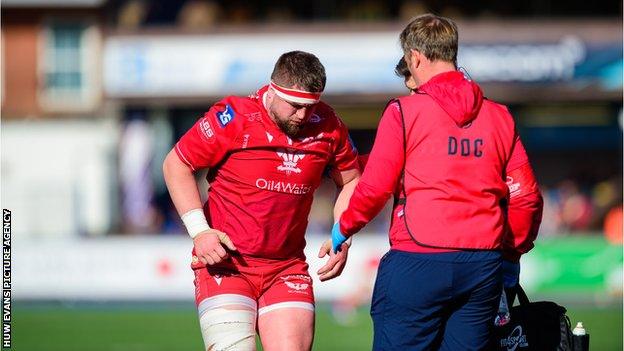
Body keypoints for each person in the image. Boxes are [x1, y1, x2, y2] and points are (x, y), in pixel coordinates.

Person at [329, 14, 544, 350]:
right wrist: (511, 254)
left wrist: (343, 228)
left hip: (418, 257)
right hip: (482, 265)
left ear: (415, 57)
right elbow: (526, 196)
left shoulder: (404, 111)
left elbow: (374, 188)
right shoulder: (500, 115)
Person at [163, 51, 360, 351]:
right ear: (273, 90)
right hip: (227, 265)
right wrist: (199, 231)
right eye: (295, 105)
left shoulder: (328, 125)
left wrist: (342, 234)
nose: (303, 115)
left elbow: (351, 180)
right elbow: (176, 164)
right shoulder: (233, 117)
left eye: (311, 106)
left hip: (287, 268)